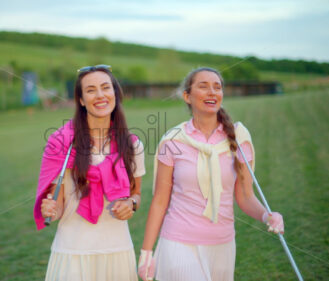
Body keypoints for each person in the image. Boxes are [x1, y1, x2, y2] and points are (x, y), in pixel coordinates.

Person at [138, 67, 284, 281]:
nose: (212, 92)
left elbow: (245, 195)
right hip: (178, 242)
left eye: (217, 87)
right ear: (187, 96)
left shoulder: (239, 138)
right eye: (203, 86)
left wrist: (267, 215)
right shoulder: (173, 141)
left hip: (223, 244)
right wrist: (146, 253)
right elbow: (160, 200)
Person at [33, 64, 145, 281]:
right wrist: (51, 209)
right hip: (73, 253)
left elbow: (137, 195)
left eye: (106, 87)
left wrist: (131, 204)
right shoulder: (61, 144)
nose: (100, 95)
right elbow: (57, 206)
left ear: (115, 93)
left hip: (118, 252)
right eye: (91, 90)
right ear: (82, 100)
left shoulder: (132, 145)